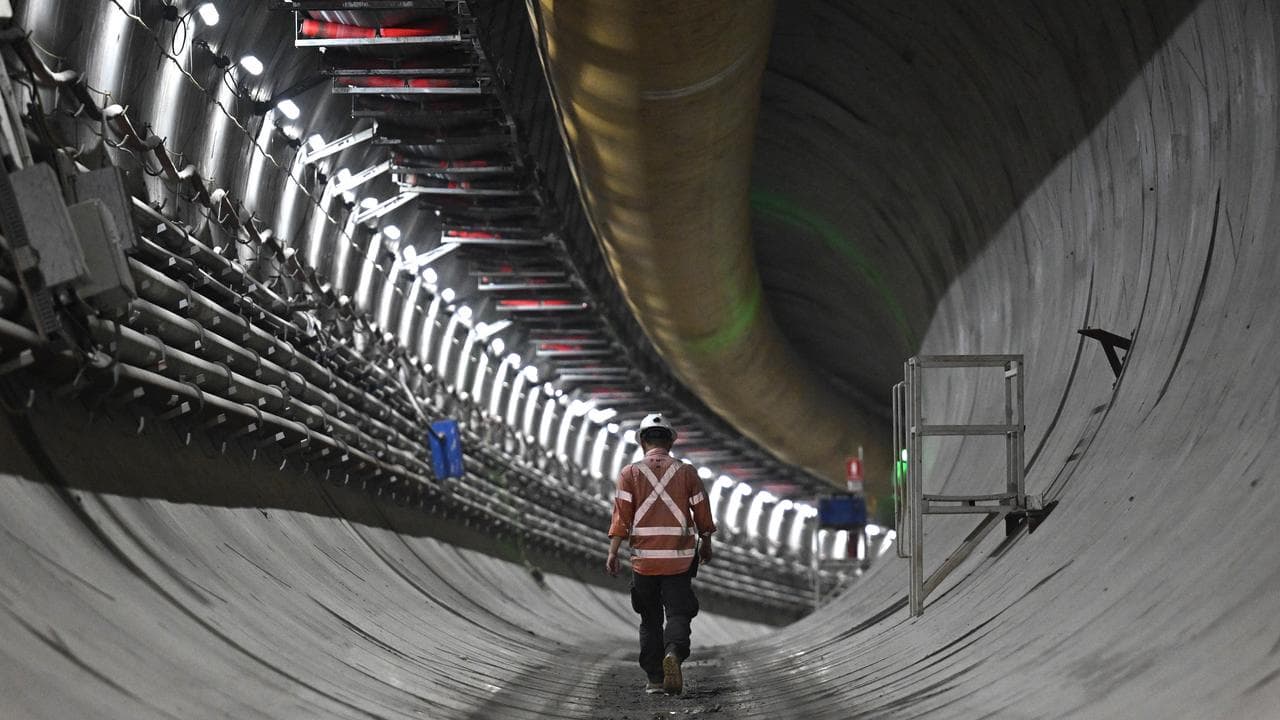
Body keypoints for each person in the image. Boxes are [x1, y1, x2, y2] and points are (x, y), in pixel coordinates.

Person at [605, 413, 716, 696]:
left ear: (642, 442)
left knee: (650, 618)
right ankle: (673, 653)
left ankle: (655, 678)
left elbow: (621, 517)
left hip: (644, 562)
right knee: (679, 611)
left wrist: (613, 552)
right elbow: (702, 512)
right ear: (670, 442)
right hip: (679, 559)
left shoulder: (629, 474)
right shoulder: (687, 472)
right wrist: (706, 541)